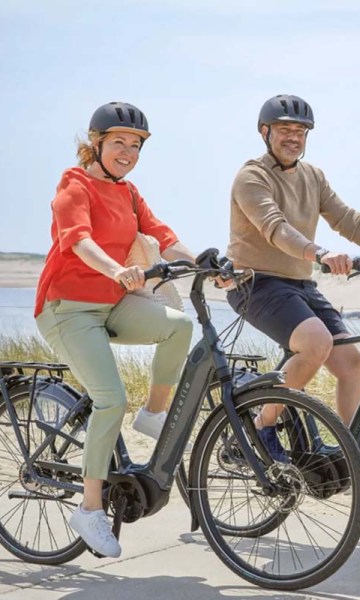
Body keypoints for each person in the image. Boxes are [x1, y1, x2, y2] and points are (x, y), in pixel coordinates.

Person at [34, 102, 196, 557]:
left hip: (112, 306)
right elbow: (78, 238)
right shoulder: (74, 183)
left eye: (136, 145)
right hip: (68, 309)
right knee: (110, 400)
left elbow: (160, 232)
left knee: (179, 328)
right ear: (97, 143)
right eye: (119, 142)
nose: (128, 151)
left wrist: (203, 264)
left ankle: (154, 413)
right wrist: (115, 270)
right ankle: (89, 509)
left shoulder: (127, 193)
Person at [226, 94, 360, 493]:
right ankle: (262, 428)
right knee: (315, 343)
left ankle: (350, 456)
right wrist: (319, 253)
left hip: (299, 284)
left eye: (300, 131)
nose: (293, 137)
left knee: (351, 362)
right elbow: (275, 227)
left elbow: (345, 218)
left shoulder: (313, 176)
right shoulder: (251, 177)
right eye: (285, 129)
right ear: (264, 132)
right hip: (256, 283)